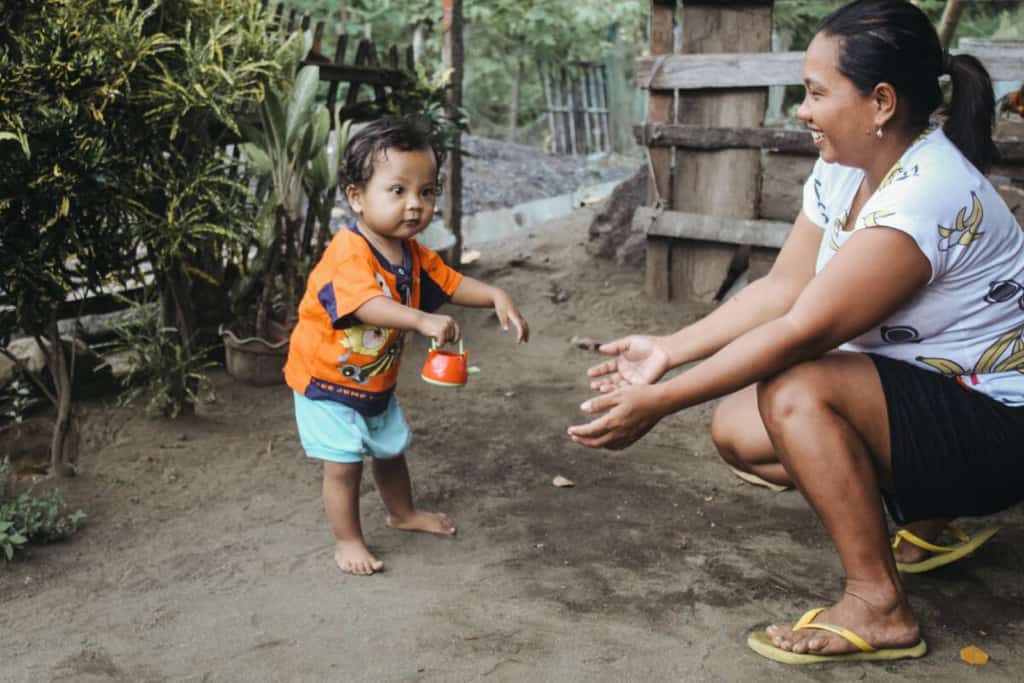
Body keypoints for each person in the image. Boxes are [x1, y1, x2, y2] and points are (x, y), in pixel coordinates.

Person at [569, 0, 1024, 664]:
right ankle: (928, 515)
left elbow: (802, 327)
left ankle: (880, 604)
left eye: (815, 93)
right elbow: (782, 288)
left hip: (1001, 428)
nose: (802, 110)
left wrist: (659, 402)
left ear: (881, 102)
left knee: (796, 386)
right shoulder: (845, 167)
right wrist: (668, 350)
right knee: (739, 428)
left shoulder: (926, 194)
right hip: (941, 400)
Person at [286, 115, 529, 576]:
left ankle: (402, 513)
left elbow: (452, 283)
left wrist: (497, 295)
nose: (415, 205)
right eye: (397, 191)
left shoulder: (414, 254)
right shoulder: (348, 252)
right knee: (343, 465)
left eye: (427, 191)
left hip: (375, 382)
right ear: (357, 196)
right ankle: (348, 541)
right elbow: (365, 304)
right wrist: (420, 319)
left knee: (390, 449)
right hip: (325, 382)